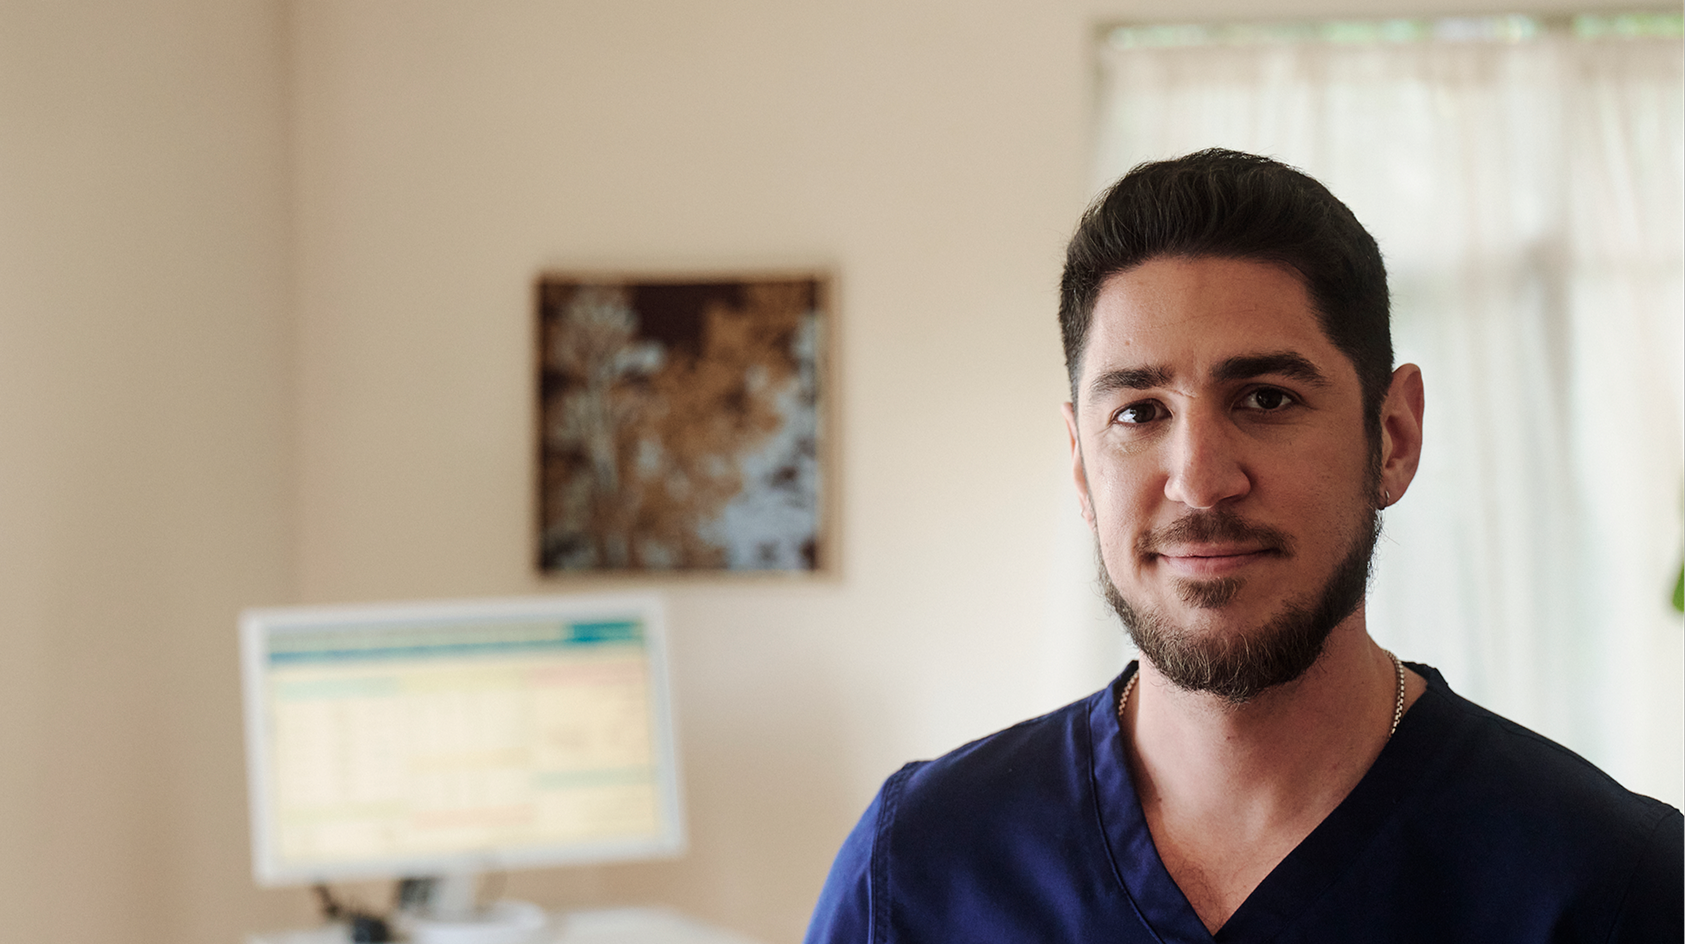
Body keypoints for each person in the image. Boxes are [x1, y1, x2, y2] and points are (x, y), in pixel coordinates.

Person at [804, 149, 1684, 943]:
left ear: (1395, 436)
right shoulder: (918, 868)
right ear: (1080, 466)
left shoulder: (1609, 886)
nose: (1199, 479)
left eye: (1265, 398)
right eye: (1139, 413)